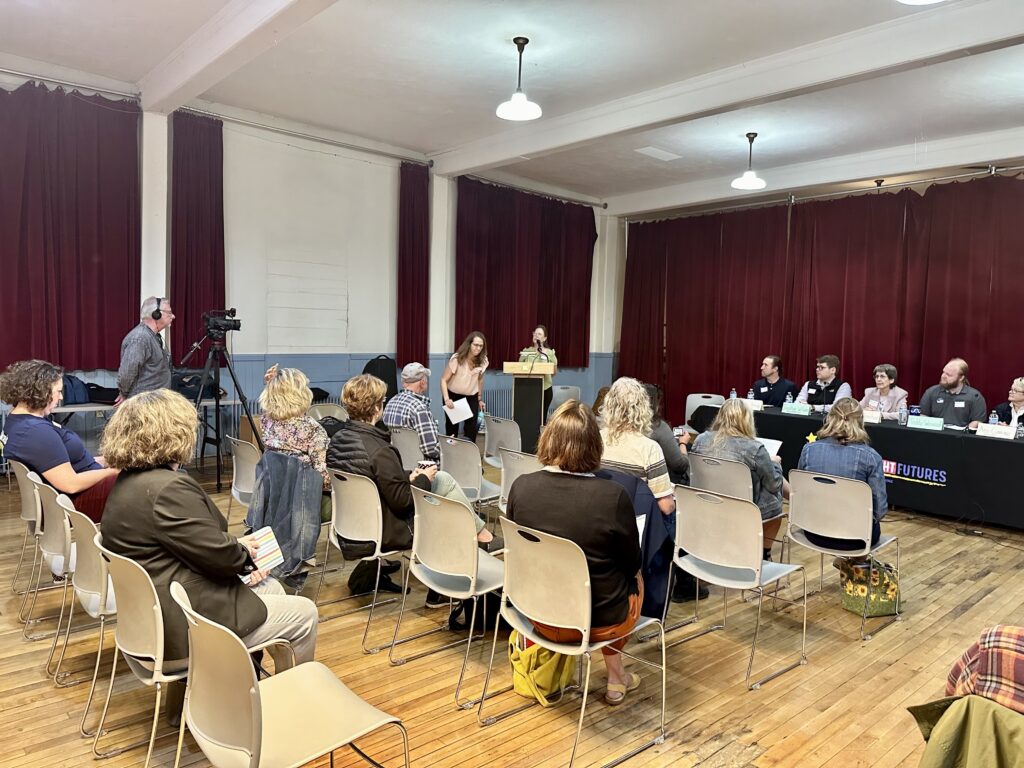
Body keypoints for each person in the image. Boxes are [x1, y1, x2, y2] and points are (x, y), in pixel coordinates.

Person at [99, 389, 318, 675]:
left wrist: (238, 551)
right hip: (182, 629)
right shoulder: (169, 488)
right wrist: (244, 558)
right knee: (305, 614)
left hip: (153, 616)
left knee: (273, 587)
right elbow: (219, 556)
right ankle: (292, 695)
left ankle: (236, 692)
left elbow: (181, 543)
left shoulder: (129, 482)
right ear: (175, 433)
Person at [507, 400, 643, 706]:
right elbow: (632, 563)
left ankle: (607, 672)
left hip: (535, 611)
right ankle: (615, 675)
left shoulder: (521, 487)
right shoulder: (613, 497)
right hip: (598, 621)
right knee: (633, 577)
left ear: (548, 439)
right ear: (595, 446)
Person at [327, 374, 497, 604]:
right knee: (444, 512)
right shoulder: (379, 450)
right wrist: (423, 479)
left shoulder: (337, 439)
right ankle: (445, 586)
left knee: (443, 480)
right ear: (377, 408)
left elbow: (375, 481)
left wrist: (411, 476)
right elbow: (403, 502)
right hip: (385, 530)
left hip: (352, 524)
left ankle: (478, 533)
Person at [0, 360, 119, 522]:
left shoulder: (16, 420)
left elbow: (64, 464)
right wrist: (114, 471)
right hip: (73, 504)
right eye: (58, 391)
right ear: (40, 391)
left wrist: (107, 460)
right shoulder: (36, 432)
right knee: (147, 481)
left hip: (73, 494)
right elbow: (71, 484)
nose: (61, 397)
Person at [691, 399, 785, 559]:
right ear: (747, 419)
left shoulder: (701, 439)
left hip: (708, 501)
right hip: (743, 508)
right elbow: (774, 484)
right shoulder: (754, 448)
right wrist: (775, 464)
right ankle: (764, 553)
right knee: (774, 496)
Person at [797, 398, 887, 551]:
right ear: (860, 422)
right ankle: (855, 568)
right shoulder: (871, 457)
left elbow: (800, 491)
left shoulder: (809, 450)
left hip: (813, 531)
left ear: (829, 418)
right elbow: (880, 510)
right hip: (856, 539)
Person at [258, 365, 331, 521]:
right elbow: (322, 480)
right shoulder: (314, 430)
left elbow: (271, 405)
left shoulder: (266, 421)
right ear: (302, 395)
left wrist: (271, 386)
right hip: (302, 503)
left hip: (273, 496)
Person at [117, 296, 174, 401]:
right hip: (143, 406)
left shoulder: (152, 336)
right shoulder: (140, 338)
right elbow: (127, 373)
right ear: (156, 314)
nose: (173, 316)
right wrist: (124, 393)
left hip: (155, 404)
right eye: (169, 313)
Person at [383, 362, 441, 462]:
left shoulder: (390, 402)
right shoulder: (419, 408)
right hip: (422, 467)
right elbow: (430, 449)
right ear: (423, 381)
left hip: (398, 461)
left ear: (403, 382)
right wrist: (445, 446)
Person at [441, 332, 488, 442]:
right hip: (453, 395)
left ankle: (468, 455)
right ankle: (451, 456)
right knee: (452, 430)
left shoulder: (483, 361)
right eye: (476, 345)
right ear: (469, 344)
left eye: (481, 346)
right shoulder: (457, 359)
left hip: (471, 396)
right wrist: (447, 399)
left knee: (471, 430)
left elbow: (480, 380)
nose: (478, 348)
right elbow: (443, 380)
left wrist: (479, 399)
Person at [919, 358, 987, 429]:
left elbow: (978, 420)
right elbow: (923, 415)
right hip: (934, 434)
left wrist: (964, 433)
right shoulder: (931, 392)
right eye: (943, 372)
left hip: (962, 437)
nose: (943, 376)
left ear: (961, 378)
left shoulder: (975, 396)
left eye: (949, 375)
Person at [643, 383, 689, 485]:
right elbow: (680, 466)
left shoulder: (617, 427)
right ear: (655, 404)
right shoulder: (659, 428)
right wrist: (683, 444)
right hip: (655, 485)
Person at [518, 325, 558, 418]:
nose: (536, 336)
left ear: (544, 338)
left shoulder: (549, 353)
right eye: (535, 333)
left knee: (541, 418)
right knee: (530, 418)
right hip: (529, 390)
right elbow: (519, 368)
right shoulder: (526, 351)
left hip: (545, 389)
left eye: (539, 334)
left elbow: (554, 372)